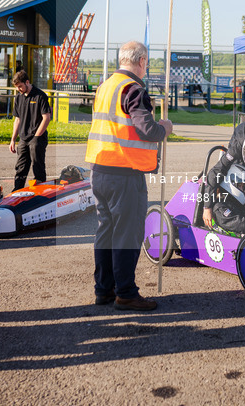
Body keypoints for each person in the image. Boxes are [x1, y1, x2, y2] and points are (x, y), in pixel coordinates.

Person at [85, 41, 172, 311]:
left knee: (106, 233)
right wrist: (165, 128)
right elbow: (146, 129)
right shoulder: (133, 89)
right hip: (124, 173)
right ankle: (125, 293)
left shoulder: (105, 86)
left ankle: (104, 290)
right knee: (127, 235)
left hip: (100, 169)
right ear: (142, 61)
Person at [9, 70, 51, 190]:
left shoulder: (40, 95)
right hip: (24, 138)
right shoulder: (18, 97)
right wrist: (13, 140)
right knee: (20, 168)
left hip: (38, 138)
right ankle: (16, 193)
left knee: (38, 168)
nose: (19, 89)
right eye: (17, 87)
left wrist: (36, 137)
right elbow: (17, 120)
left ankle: (41, 194)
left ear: (27, 82)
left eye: (20, 86)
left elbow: (46, 118)